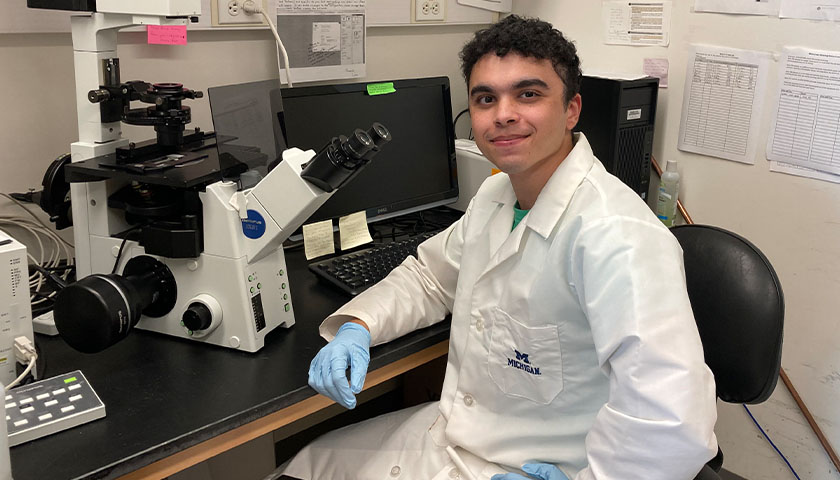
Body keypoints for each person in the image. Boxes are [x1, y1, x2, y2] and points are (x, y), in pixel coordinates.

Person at [279, 15, 718, 480]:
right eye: (486, 98)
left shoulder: (618, 236)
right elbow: (429, 278)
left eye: (528, 94)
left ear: (572, 110)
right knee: (301, 467)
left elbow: (673, 423)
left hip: (546, 467)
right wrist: (358, 328)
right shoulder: (496, 196)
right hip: (452, 439)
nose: (503, 113)